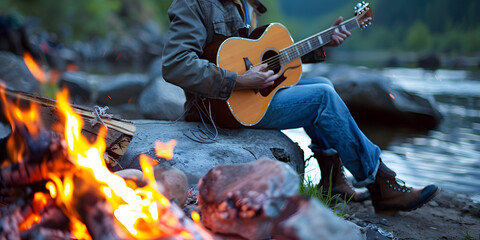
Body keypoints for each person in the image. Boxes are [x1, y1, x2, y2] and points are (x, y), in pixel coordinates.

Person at [161, 0, 440, 215]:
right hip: (220, 107)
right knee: (321, 97)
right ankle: (380, 182)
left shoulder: (246, 4)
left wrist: (323, 44)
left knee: (323, 84)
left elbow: (262, 57)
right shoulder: (193, 3)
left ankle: (332, 179)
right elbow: (176, 64)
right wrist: (238, 81)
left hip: (249, 98)